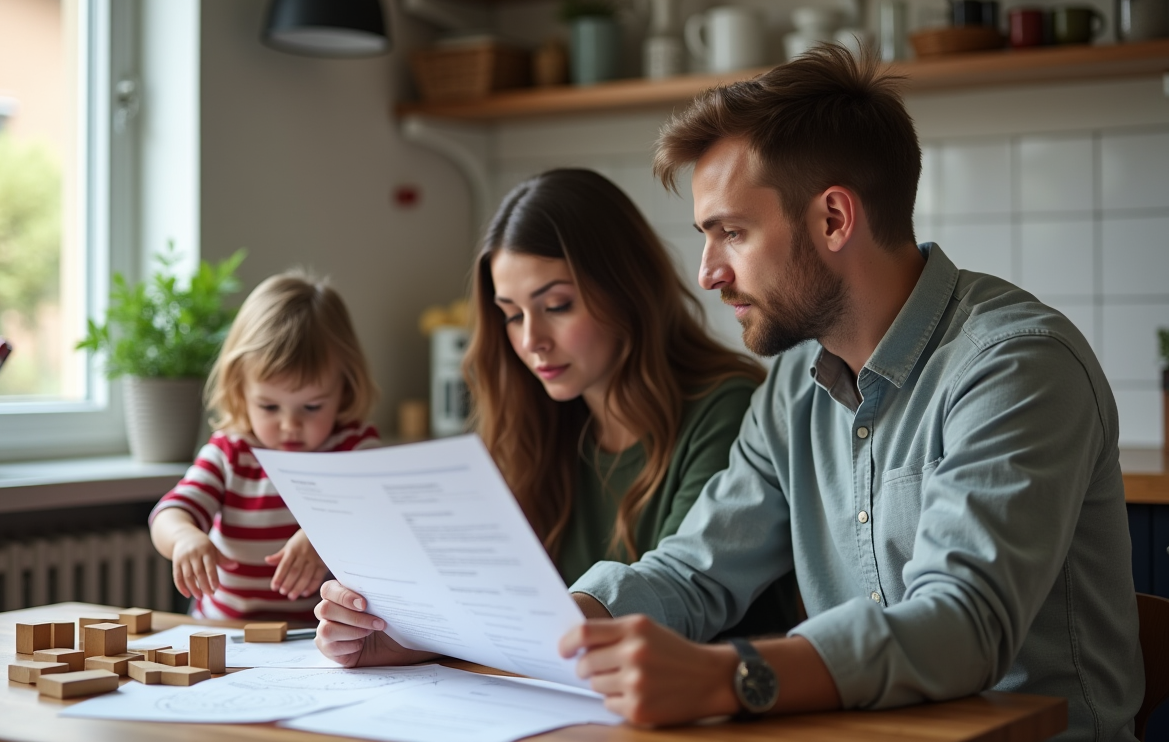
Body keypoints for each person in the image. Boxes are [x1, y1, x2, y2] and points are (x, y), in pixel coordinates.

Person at [551, 45, 1142, 739]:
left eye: (732, 233)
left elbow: (964, 625)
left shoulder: (1015, 368)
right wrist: (524, 628)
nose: (709, 273)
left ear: (833, 219)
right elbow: (694, 572)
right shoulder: (791, 393)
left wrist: (726, 676)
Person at [313, 168, 799, 668]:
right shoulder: (534, 422)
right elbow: (487, 601)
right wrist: (402, 633)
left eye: (557, 305)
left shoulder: (729, 408)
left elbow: (682, 593)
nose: (531, 340)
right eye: (513, 314)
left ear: (625, 287)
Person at [150, 270, 380, 621]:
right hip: (223, 634)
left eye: (312, 406)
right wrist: (184, 538)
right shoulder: (230, 452)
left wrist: (323, 537)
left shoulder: (354, 450)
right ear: (241, 390)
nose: (290, 425)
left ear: (345, 388)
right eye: (269, 407)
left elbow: (380, 518)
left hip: (314, 641)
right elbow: (169, 513)